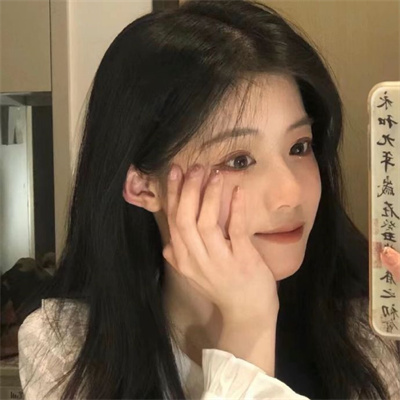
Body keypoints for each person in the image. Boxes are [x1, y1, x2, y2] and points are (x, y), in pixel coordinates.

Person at [17, 0, 400, 399]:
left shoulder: (359, 339)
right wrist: (248, 328)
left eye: (299, 147)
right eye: (239, 160)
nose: (290, 192)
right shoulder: (68, 348)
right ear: (143, 186)